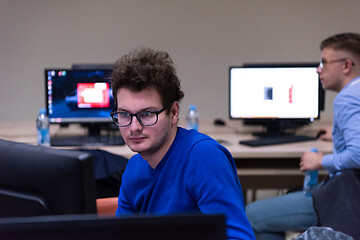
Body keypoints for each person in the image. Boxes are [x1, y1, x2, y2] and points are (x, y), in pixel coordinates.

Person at [110, 47, 255, 240]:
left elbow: (239, 238)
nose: (134, 127)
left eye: (147, 114)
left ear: (174, 113)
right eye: (125, 114)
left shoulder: (202, 157)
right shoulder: (133, 169)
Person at [246, 32, 360, 240]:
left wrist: (320, 161)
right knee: (288, 197)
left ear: (346, 66)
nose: (318, 69)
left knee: (251, 217)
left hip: (347, 199)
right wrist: (337, 137)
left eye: (325, 62)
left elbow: (359, 155)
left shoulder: (347, 98)